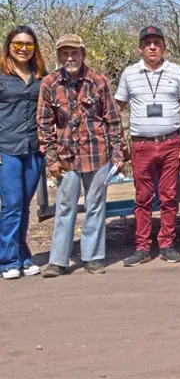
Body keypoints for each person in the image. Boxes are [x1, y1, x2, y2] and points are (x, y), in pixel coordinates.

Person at [39, 34, 124, 277]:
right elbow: (44, 124)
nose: (70, 57)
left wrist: (117, 154)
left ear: (82, 54)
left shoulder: (98, 81)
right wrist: (52, 158)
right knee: (65, 206)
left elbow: (114, 120)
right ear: (58, 57)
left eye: (74, 52)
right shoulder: (50, 83)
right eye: (64, 53)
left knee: (95, 206)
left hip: (97, 155)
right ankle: (58, 260)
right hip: (66, 158)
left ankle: (94, 257)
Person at [116, 26, 180, 267]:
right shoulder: (130, 74)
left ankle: (167, 244)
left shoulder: (177, 72)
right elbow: (116, 109)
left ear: (164, 46)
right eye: (147, 42)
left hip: (171, 142)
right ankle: (141, 247)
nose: (152, 47)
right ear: (140, 48)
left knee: (169, 197)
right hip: (141, 146)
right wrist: (120, 142)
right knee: (142, 198)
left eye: (157, 42)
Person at [0, 26, 47, 279]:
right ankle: (7, 260)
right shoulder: (1, 75)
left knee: (24, 205)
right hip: (6, 148)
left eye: (28, 44)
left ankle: (22, 255)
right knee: (11, 205)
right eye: (18, 44)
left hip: (34, 148)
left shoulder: (41, 76)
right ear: (9, 46)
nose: (22, 49)